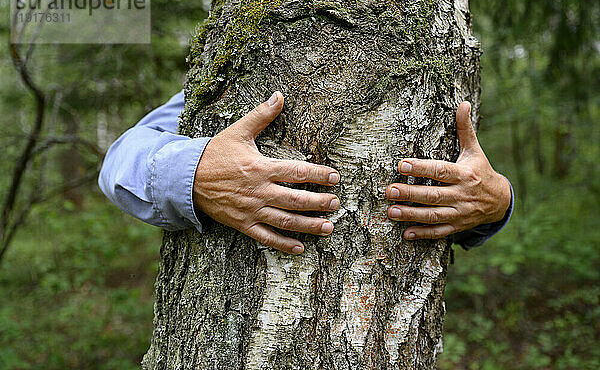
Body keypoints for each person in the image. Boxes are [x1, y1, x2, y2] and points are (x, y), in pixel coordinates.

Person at [99, 91, 513, 255]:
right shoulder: (238, 60)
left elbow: (478, 180)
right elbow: (121, 157)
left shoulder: (435, 57)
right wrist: (193, 173)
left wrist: (498, 202)